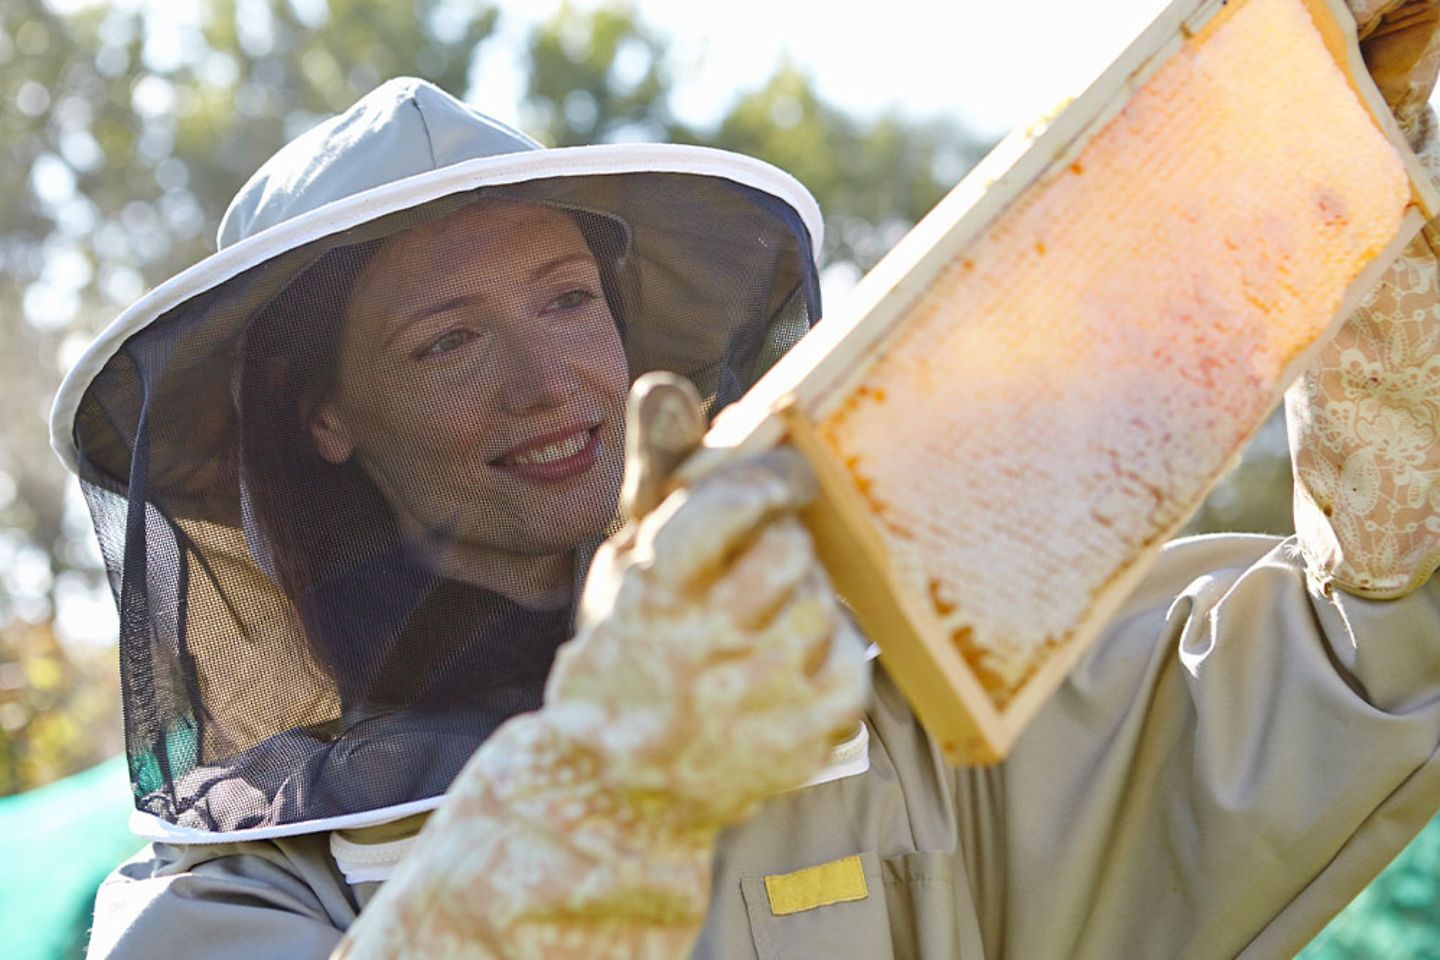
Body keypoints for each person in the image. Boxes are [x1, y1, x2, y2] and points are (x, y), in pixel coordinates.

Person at [55, 2, 1440, 957]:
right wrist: (621, 790)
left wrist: (1352, 195)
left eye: (564, 300)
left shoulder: (885, 731)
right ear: (327, 420)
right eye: (448, 341)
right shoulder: (242, 899)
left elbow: (1357, 659)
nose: (549, 382)